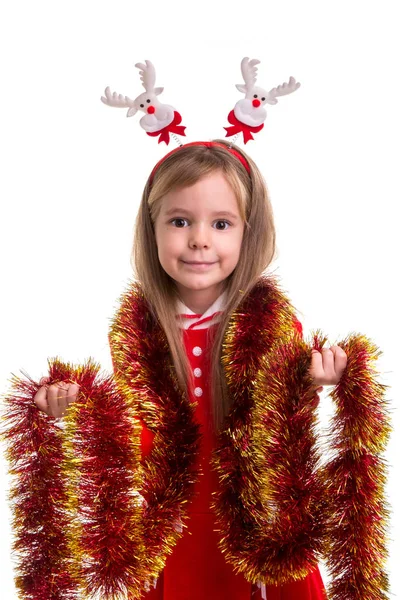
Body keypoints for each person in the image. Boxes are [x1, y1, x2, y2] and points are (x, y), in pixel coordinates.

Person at [31, 140, 349, 600]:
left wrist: (317, 377)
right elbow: (135, 431)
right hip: (173, 525)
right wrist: (79, 407)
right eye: (180, 221)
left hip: (252, 525)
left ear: (247, 232)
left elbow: (282, 425)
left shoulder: (273, 324)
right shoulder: (140, 332)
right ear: (152, 229)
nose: (200, 239)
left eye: (221, 224)